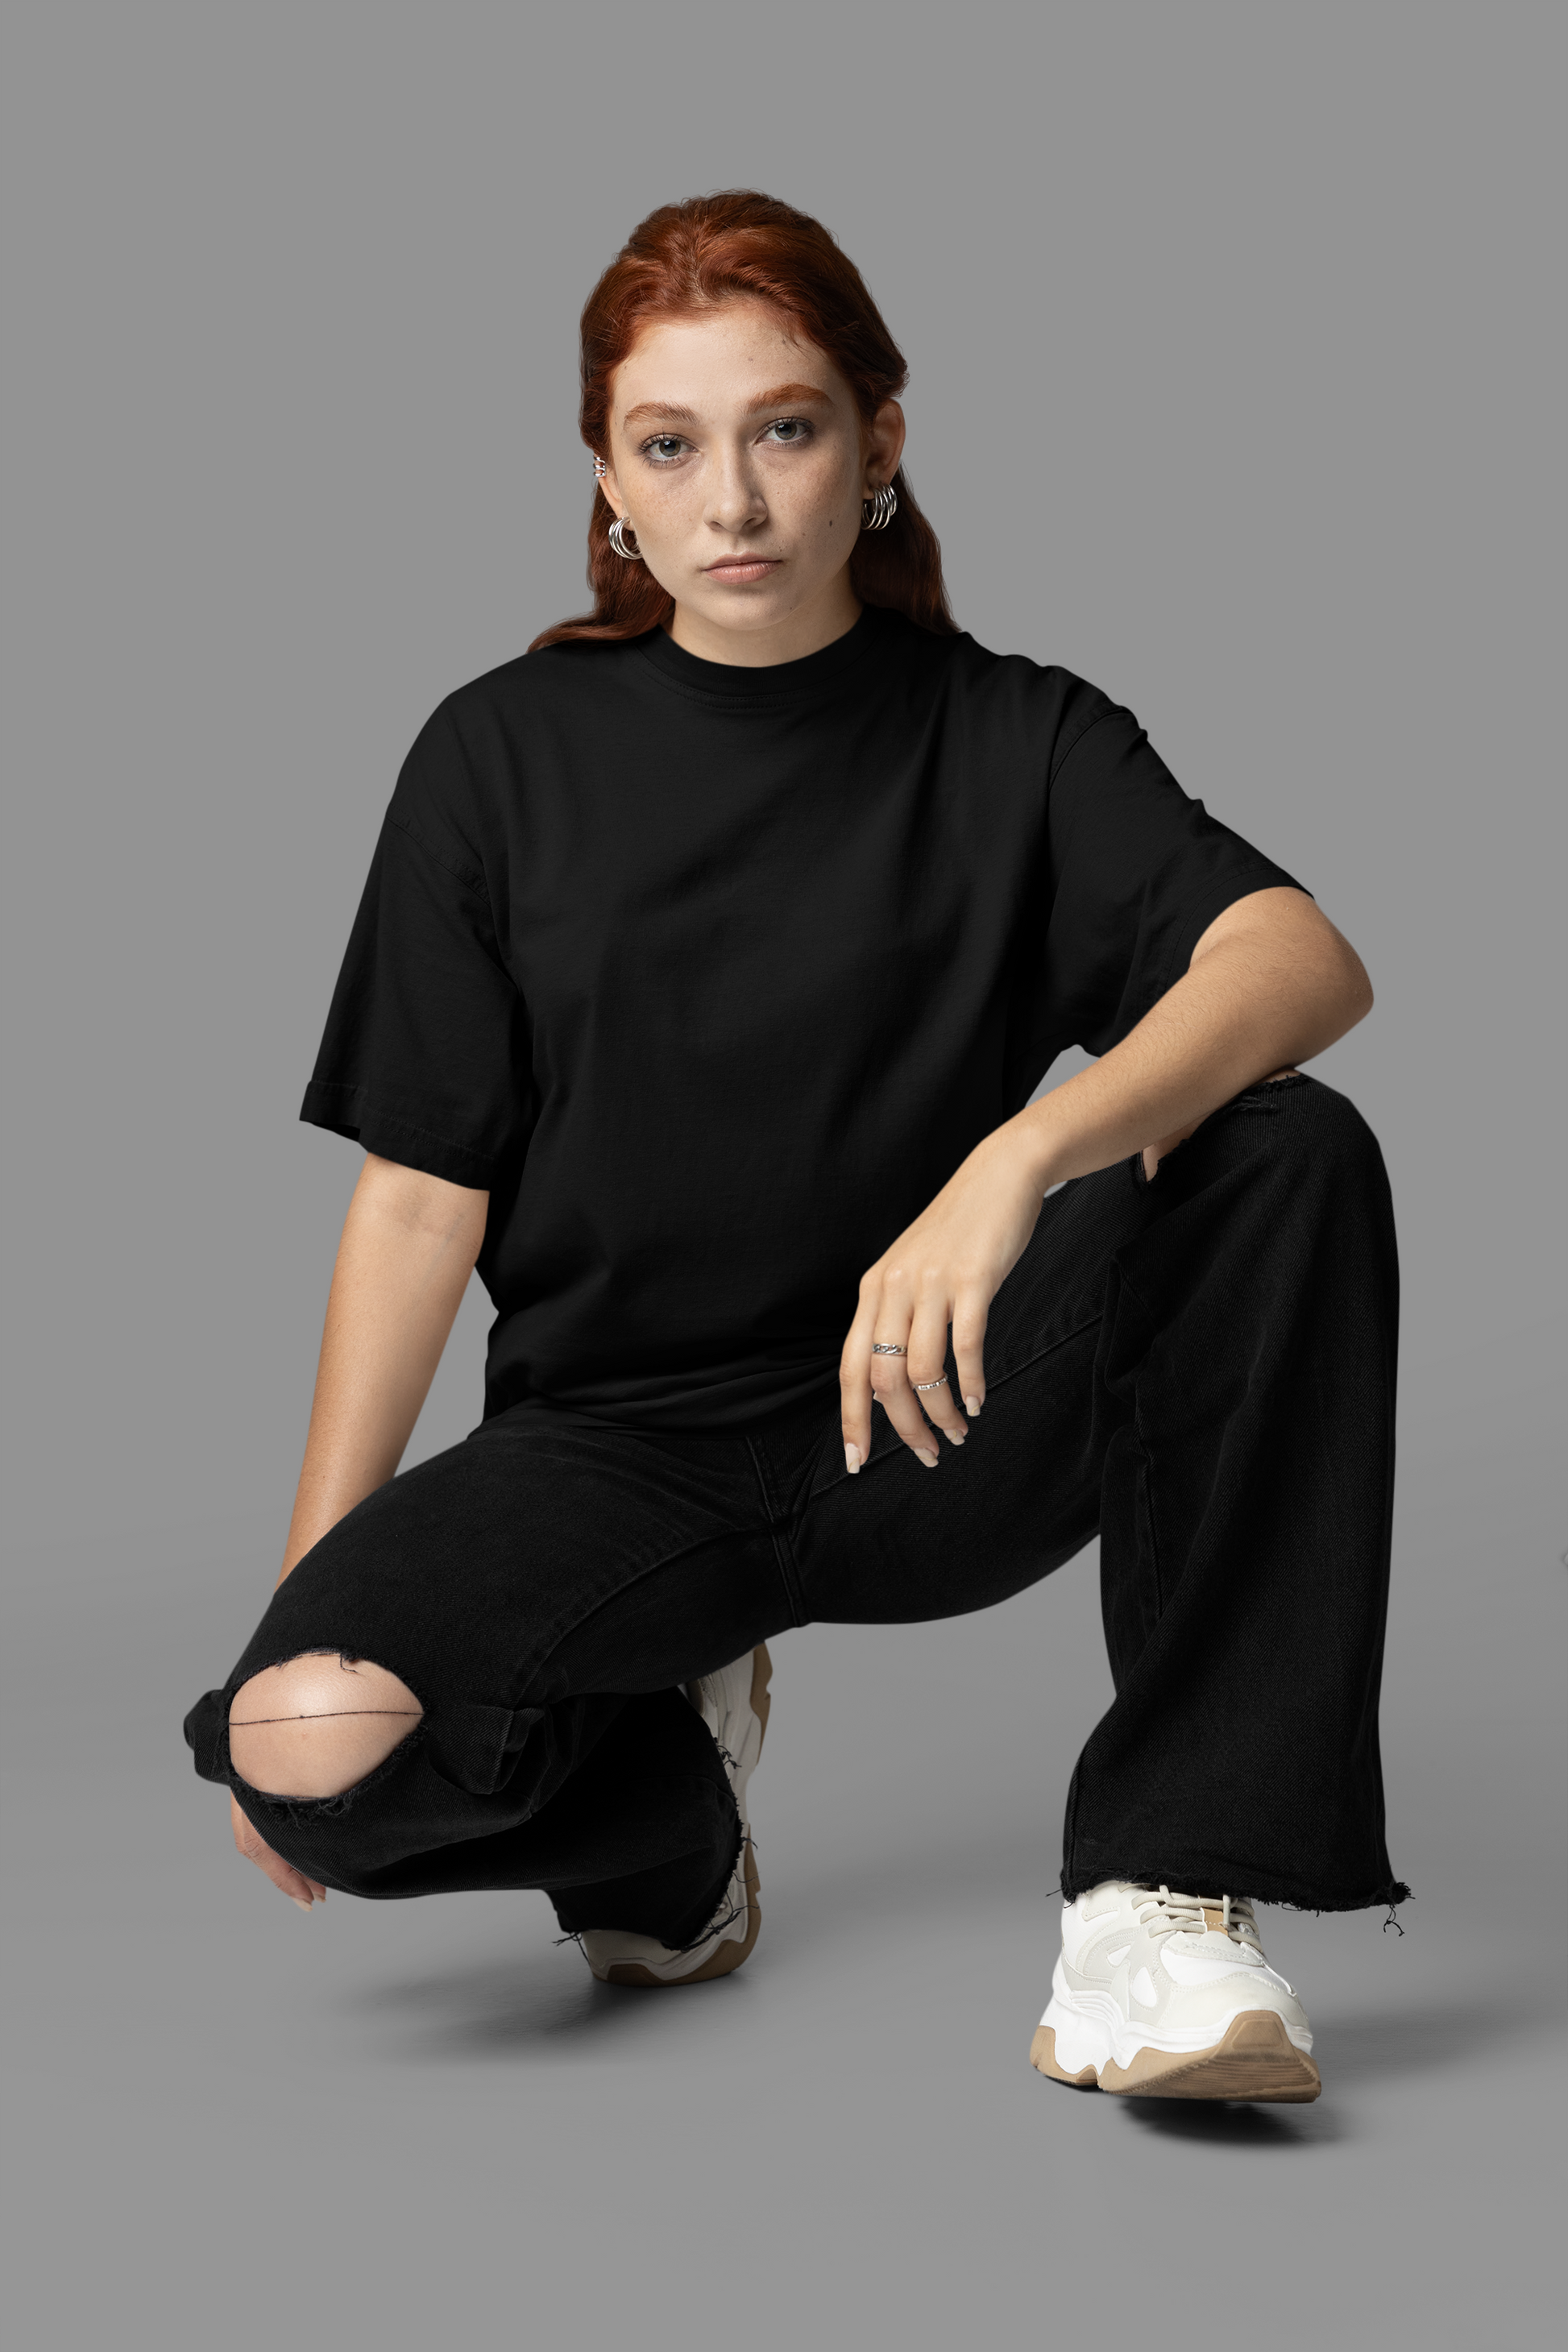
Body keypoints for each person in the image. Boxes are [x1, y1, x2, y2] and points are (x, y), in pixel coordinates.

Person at [185, 189, 1404, 2104]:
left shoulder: (1015, 737)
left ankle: (1164, 1899)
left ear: (877, 441)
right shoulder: (495, 759)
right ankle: (670, 1848)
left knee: (1282, 1148)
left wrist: (1021, 1157)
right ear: (608, 479)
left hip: (933, 1404)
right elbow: (419, 1201)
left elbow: (1296, 957)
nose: (733, 501)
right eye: (670, 446)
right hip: (615, 1451)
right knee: (309, 1747)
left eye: (786, 429)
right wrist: (303, 1598)